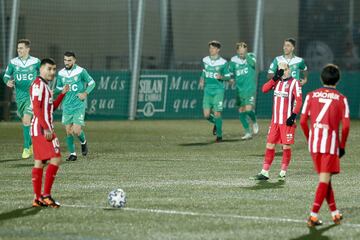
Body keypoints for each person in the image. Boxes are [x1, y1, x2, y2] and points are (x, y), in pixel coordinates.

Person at [300, 64, 350, 227]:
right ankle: (313, 215)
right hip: (329, 144)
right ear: (338, 80)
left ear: (322, 78)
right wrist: (342, 146)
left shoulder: (311, 95)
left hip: (315, 144)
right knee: (324, 179)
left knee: (325, 179)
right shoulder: (341, 98)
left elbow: (302, 121)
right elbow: (347, 125)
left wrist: (309, 137)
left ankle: (335, 214)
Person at [251, 62, 302, 181]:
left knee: (286, 147)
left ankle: (283, 172)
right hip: (275, 121)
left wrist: (293, 116)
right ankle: (265, 172)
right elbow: (264, 89)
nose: (282, 72)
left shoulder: (294, 82)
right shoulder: (277, 81)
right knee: (269, 144)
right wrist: (275, 77)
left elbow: (299, 101)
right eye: (279, 70)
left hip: (287, 121)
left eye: (283, 69)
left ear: (289, 70)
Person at [30, 58, 69, 208]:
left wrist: (62, 94)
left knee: (40, 162)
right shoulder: (38, 85)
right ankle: (46, 195)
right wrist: (46, 127)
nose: (52, 72)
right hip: (42, 128)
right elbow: (36, 108)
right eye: (49, 69)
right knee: (56, 158)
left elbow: (50, 109)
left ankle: (37, 198)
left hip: (41, 127)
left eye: (54, 69)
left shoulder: (45, 86)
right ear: (40, 69)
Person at [3, 39, 40, 159]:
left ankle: (25, 148)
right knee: (25, 122)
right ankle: (30, 145)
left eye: (21, 48)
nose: (19, 50)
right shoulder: (13, 62)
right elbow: (6, 76)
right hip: (20, 97)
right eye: (18, 48)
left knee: (26, 119)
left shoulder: (36, 62)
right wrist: (7, 81)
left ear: (27, 49)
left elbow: (43, 74)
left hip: (33, 95)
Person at [55, 51, 96, 161]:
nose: (67, 62)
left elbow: (92, 83)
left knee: (77, 130)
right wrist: (62, 90)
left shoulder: (81, 71)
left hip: (78, 105)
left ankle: (83, 142)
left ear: (74, 60)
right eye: (65, 60)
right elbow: (58, 87)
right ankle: (73, 154)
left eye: (69, 60)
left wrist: (85, 93)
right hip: (67, 106)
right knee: (68, 131)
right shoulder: (61, 73)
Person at [199, 40, 231, 142]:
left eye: (213, 48)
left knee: (217, 113)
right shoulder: (205, 60)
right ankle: (216, 123)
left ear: (218, 50)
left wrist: (221, 76)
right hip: (208, 90)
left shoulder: (223, 62)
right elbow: (204, 72)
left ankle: (219, 136)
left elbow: (228, 77)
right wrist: (201, 80)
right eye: (210, 48)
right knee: (206, 115)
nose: (211, 50)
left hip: (218, 90)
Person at [229, 42, 259, 140]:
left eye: (243, 50)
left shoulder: (251, 56)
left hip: (249, 88)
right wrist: (231, 78)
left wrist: (245, 55)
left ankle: (254, 121)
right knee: (241, 111)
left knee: (249, 109)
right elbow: (229, 71)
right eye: (240, 51)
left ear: (246, 50)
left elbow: (253, 64)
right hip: (239, 90)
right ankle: (248, 132)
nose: (242, 53)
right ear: (237, 51)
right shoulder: (233, 60)